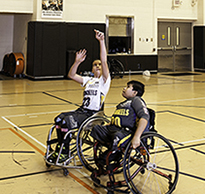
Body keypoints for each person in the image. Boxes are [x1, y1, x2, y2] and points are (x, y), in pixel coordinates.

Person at [47, 29, 111, 163]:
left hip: (93, 115)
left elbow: (104, 61)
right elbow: (71, 75)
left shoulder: (104, 81)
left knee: (66, 122)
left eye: (99, 64)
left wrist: (101, 41)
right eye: (95, 65)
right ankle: (61, 149)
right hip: (82, 111)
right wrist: (77, 62)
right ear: (92, 69)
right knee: (59, 119)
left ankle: (63, 152)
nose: (98, 66)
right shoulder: (89, 80)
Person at [90, 80, 150, 158]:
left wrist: (137, 137)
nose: (124, 88)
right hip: (114, 129)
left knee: (117, 136)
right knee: (96, 128)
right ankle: (111, 149)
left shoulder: (136, 100)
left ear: (135, 93)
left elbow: (144, 117)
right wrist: (107, 125)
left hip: (126, 132)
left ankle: (113, 155)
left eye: (128, 87)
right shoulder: (121, 104)